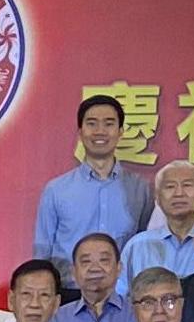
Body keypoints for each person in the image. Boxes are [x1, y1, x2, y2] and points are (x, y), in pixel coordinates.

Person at [32, 94, 148, 270]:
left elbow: (144, 245)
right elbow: (42, 249)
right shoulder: (56, 190)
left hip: (122, 291)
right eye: (91, 123)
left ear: (121, 132)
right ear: (80, 132)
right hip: (69, 290)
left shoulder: (140, 189)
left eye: (109, 124)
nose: (100, 131)